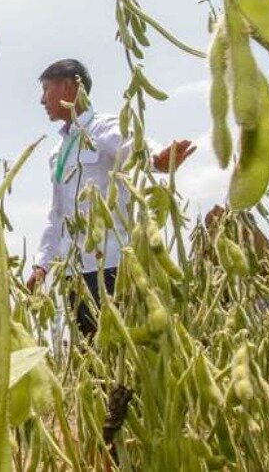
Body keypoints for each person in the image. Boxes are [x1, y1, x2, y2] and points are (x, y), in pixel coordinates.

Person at [26, 59, 194, 337]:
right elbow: (56, 215)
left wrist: (157, 160)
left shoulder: (102, 128)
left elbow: (132, 147)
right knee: (89, 354)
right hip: (74, 272)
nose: (42, 100)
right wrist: (42, 264)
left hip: (112, 266)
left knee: (120, 349)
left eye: (46, 89)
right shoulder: (58, 151)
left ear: (68, 86)